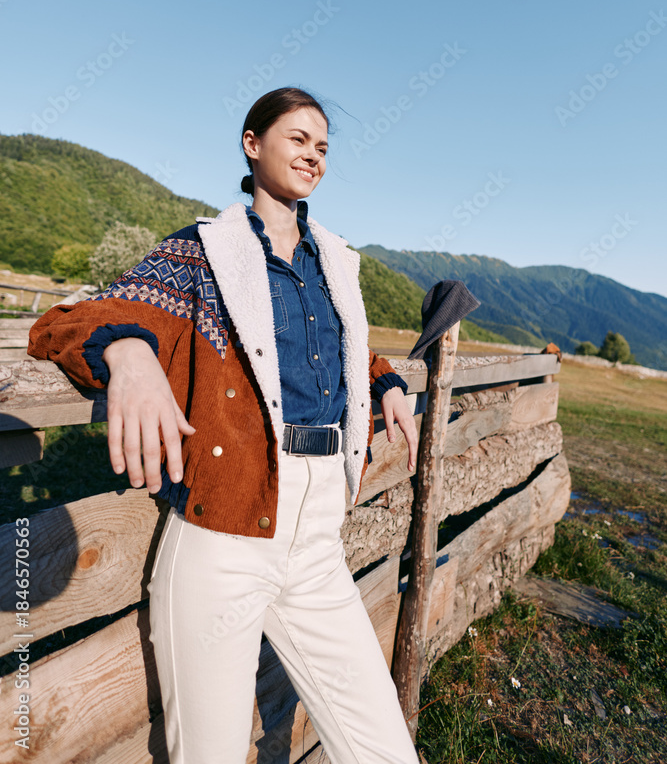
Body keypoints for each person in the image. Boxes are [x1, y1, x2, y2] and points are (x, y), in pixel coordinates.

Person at [28, 86, 421, 764]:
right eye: (297, 139)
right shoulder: (201, 254)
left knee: (383, 747)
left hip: (318, 531)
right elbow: (68, 320)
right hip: (225, 533)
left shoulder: (332, 260)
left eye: (322, 147)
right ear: (252, 143)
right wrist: (128, 353)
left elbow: (334, 347)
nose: (312, 156)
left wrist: (382, 379)